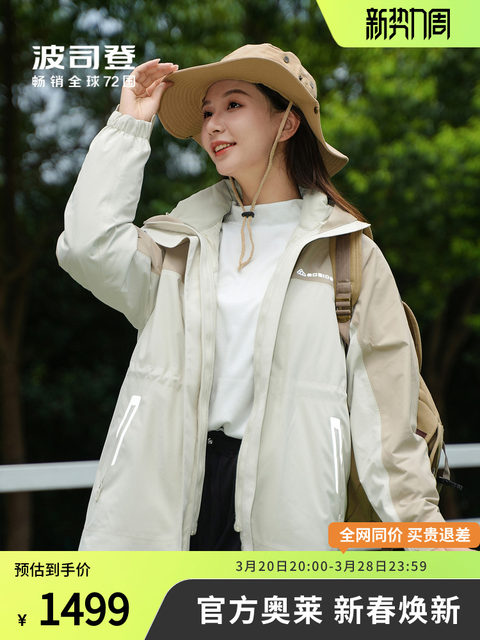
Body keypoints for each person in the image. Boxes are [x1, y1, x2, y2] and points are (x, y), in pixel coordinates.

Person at [56, 43, 444, 551]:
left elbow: (389, 430)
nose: (213, 125)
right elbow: (87, 246)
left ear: (287, 123)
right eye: (207, 113)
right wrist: (130, 123)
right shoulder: (179, 244)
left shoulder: (348, 256)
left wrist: (434, 547)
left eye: (234, 105)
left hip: (291, 509)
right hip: (168, 497)